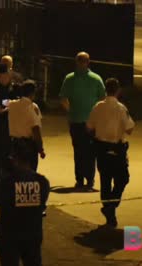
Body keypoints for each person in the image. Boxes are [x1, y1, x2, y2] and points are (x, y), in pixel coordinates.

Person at [0, 139, 50, 266]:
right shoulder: (42, 182)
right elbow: (42, 203)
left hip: (10, 235)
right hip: (33, 234)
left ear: (14, 159)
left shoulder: (7, 182)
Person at [86, 78, 134, 227]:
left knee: (105, 181)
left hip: (101, 148)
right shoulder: (121, 108)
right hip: (117, 148)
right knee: (123, 178)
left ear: (105, 90)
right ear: (118, 90)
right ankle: (111, 207)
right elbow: (130, 129)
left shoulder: (98, 106)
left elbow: (89, 127)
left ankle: (109, 210)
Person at [60, 51, 105, 190]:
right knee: (90, 152)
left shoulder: (70, 78)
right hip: (90, 122)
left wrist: (71, 111)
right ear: (88, 62)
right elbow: (103, 98)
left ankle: (80, 180)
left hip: (77, 121)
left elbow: (63, 99)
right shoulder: (96, 78)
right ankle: (89, 180)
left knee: (79, 151)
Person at [8, 80, 45, 171]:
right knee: (30, 171)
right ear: (33, 93)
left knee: (16, 170)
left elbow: (3, 103)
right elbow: (35, 129)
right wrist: (40, 148)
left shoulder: (11, 104)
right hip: (28, 145)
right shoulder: (32, 107)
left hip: (14, 143)